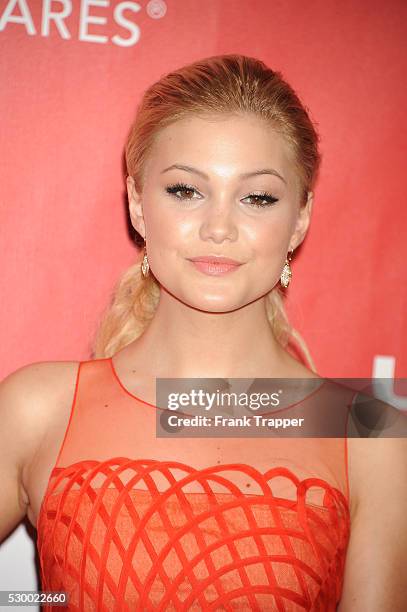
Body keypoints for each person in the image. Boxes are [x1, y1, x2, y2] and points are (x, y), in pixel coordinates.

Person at [1, 54, 406, 611]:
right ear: (138, 204)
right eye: (185, 191)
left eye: (257, 197)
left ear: (302, 218)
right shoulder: (37, 408)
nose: (219, 227)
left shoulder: (370, 437)